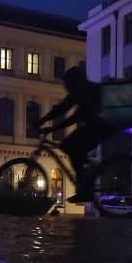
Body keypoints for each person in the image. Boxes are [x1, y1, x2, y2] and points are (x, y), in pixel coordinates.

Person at [38, 66, 114, 203]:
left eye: (68, 84)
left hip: (103, 126)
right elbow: (62, 108)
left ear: (75, 82)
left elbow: (73, 116)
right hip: (100, 126)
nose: (66, 87)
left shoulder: (85, 91)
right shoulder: (83, 90)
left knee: (69, 146)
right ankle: (86, 181)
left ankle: (86, 189)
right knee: (71, 148)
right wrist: (43, 122)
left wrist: (48, 127)